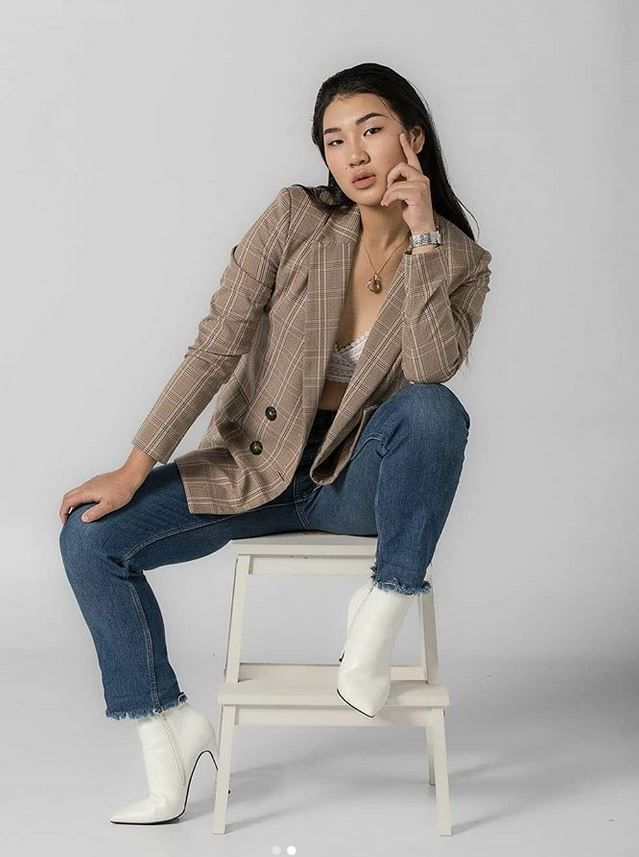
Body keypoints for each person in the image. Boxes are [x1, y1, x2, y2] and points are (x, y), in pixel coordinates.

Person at [58, 61, 493, 824]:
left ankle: (381, 614)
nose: (353, 154)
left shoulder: (459, 261)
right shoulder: (296, 218)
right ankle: (167, 730)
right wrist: (134, 466)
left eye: (370, 130)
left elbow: (430, 367)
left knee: (433, 409)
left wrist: (423, 235)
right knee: (89, 539)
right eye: (334, 139)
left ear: (413, 138)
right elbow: (217, 343)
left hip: (354, 479)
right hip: (255, 467)